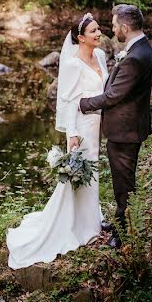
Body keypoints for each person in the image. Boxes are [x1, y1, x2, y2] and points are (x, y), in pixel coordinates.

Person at [7, 14, 108, 269]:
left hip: (98, 125)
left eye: (99, 29)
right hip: (82, 127)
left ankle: (90, 223)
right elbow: (69, 101)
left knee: (93, 173)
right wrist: (71, 134)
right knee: (80, 173)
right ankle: (76, 227)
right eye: (93, 31)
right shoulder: (73, 64)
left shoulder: (101, 57)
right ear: (80, 37)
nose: (99, 34)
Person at [79, 4, 152, 249]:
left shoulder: (135, 57)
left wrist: (84, 103)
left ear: (125, 27)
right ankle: (122, 219)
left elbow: (113, 96)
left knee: (124, 184)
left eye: (113, 26)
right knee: (123, 180)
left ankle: (123, 234)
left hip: (125, 131)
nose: (112, 30)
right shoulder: (142, 48)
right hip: (131, 127)